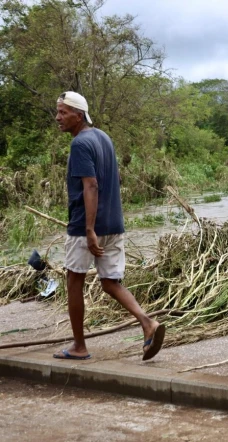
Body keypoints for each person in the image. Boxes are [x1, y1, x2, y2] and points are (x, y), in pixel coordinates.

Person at [54, 91, 165, 361]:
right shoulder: (103, 137)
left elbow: (90, 185)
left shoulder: (80, 143)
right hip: (114, 223)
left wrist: (90, 230)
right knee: (110, 282)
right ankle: (147, 323)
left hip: (86, 227)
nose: (57, 117)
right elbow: (111, 179)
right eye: (57, 112)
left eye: (63, 112)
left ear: (78, 116)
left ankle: (79, 347)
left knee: (74, 282)